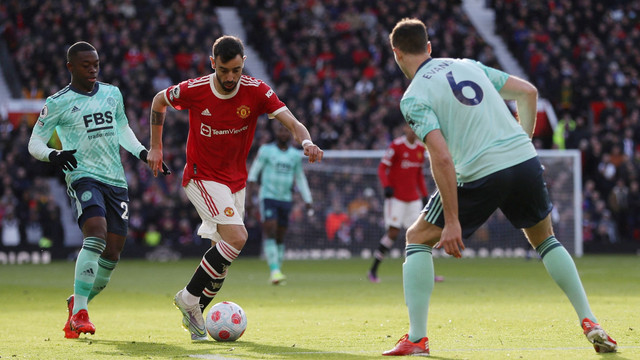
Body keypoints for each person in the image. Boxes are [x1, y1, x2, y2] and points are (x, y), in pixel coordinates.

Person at [382, 19, 617, 356]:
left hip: (480, 170)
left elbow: (443, 158)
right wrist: (523, 142)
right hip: (524, 161)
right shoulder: (467, 65)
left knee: (416, 239)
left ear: (397, 53)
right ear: (429, 47)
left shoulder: (414, 96)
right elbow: (528, 92)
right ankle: (590, 320)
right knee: (545, 239)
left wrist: (451, 221)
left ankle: (417, 339)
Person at [146, 35, 323, 340]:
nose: (230, 77)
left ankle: (196, 317)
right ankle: (188, 299)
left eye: (236, 70)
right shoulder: (195, 89)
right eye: (224, 70)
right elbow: (158, 101)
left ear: (244, 64)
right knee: (238, 238)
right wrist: (155, 147)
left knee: (223, 260)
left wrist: (306, 141)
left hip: (234, 182)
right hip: (201, 177)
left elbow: (292, 122)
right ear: (213, 63)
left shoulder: (256, 91)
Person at [27, 41, 169, 339]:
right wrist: (54, 155)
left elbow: (122, 129)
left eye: (96, 64)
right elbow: (34, 142)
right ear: (70, 67)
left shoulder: (111, 93)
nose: (92, 69)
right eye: (85, 65)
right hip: (82, 176)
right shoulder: (57, 102)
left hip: (115, 180)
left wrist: (144, 154)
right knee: (95, 232)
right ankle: (81, 314)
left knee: (112, 254)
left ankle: (77, 304)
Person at [367, 123, 443, 283]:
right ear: (405, 129)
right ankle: (373, 270)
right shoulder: (396, 146)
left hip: (413, 199)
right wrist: (386, 186)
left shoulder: (420, 149)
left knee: (419, 235)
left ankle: (426, 274)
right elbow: (382, 168)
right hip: (396, 199)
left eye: (416, 128)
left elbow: (418, 176)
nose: (413, 131)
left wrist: (423, 195)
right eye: (410, 127)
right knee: (393, 233)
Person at [247, 123, 314, 285]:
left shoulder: (294, 156)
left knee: (280, 236)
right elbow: (254, 174)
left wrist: (308, 199)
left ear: (290, 134)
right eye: (280, 130)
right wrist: (248, 199)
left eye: (286, 131)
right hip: (268, 197)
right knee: (270, 230)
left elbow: (300, 178)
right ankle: (275, 270)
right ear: (276, 132)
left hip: (285, 199)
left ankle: (277, 271)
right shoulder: (266, 151)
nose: (283, 133)